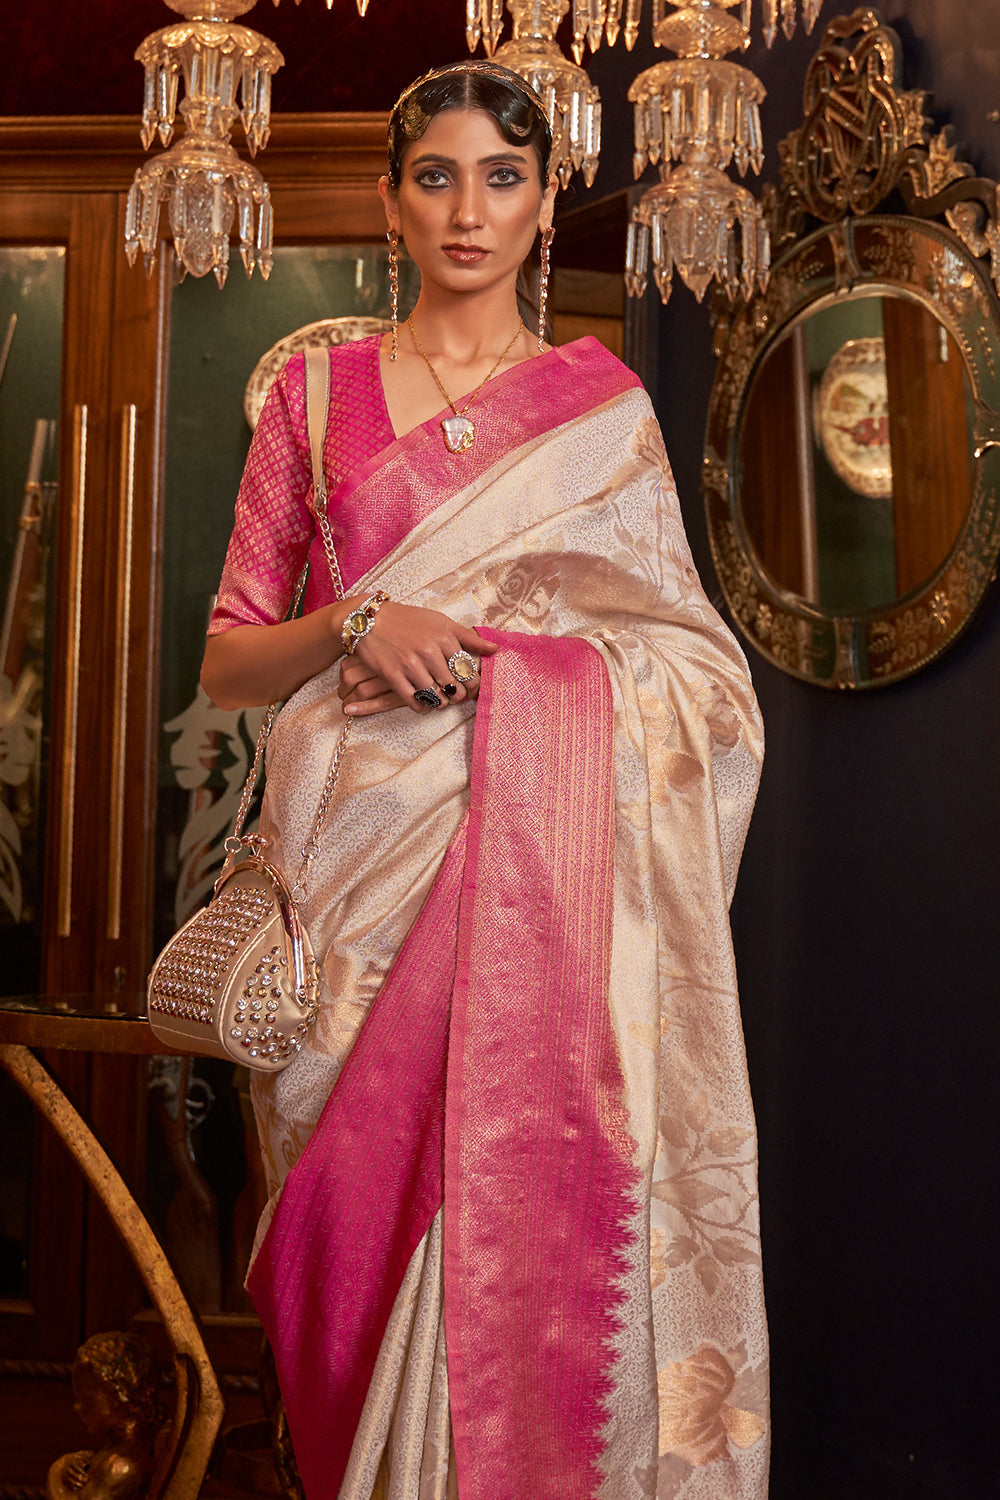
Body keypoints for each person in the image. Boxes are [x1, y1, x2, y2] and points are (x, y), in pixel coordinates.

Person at [201, 60, 768, 1500]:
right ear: (391, 202)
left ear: (542, 207)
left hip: (542, 897)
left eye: (502, 179)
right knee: (346, 1242)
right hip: (350, 890)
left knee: (512, 1211)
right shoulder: (313, 399)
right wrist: (356, 624)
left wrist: (511, 670)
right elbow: (230, 663)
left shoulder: (603, 414)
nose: (469, 211)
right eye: (437, 177)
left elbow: (697, 680)